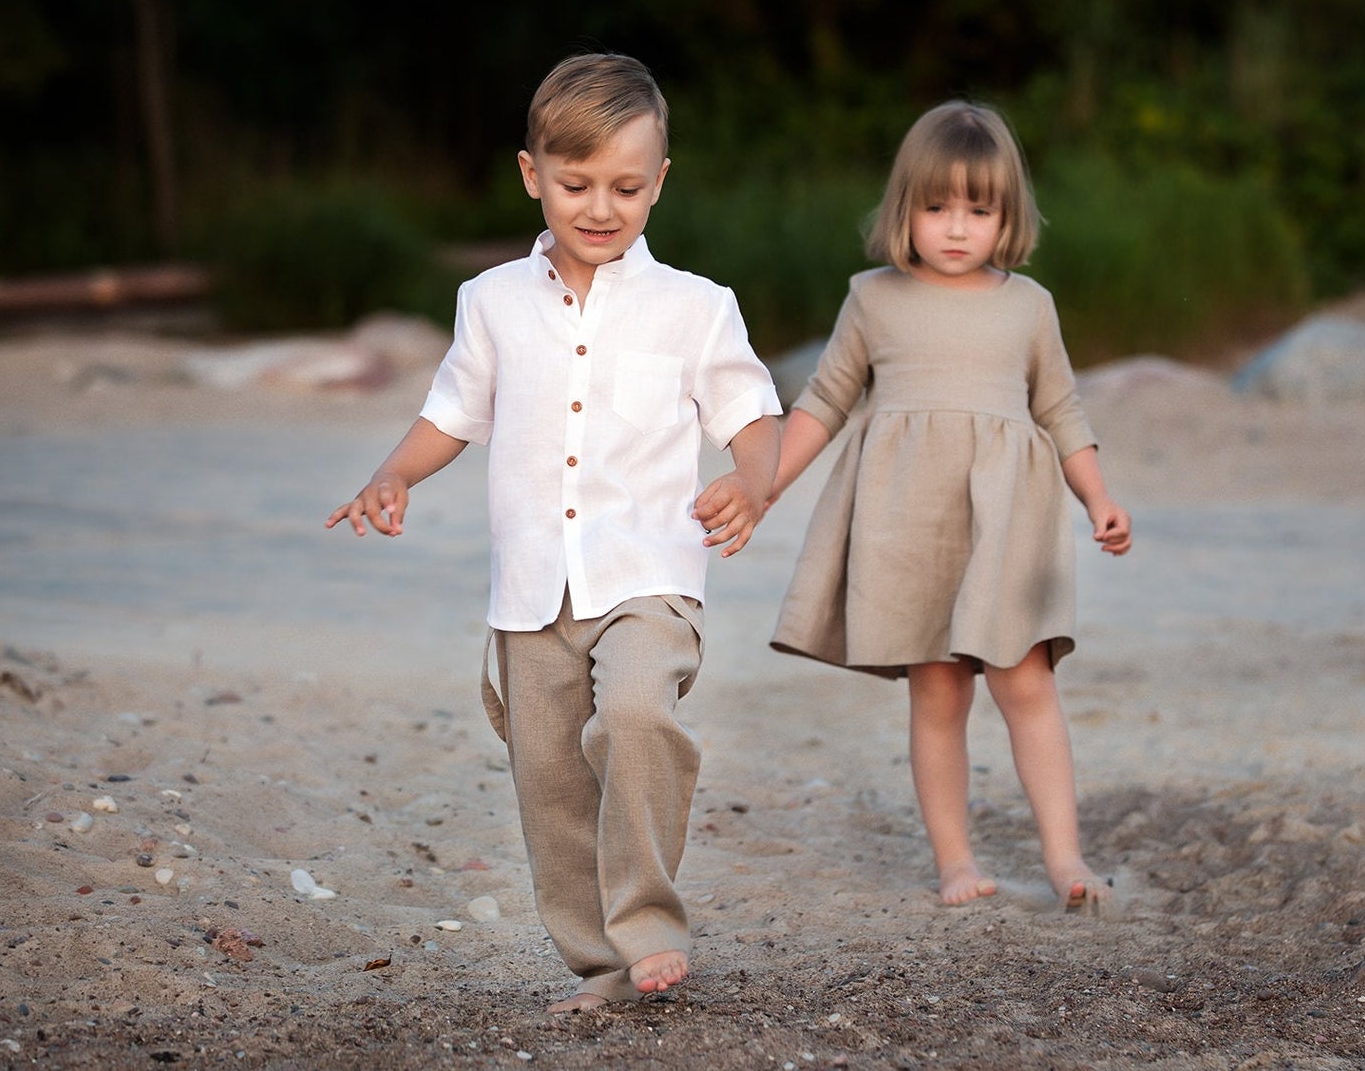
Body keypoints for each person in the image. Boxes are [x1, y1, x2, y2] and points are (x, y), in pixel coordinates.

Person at [325, 53, 781, 1010]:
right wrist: (392, 472)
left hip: (649, 574)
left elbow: (751, 414)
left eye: (627, 185)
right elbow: (451, 411)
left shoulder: (697, 307)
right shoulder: (490, 300)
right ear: (532, 173)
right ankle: (606, 965)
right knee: (549, 781)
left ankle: (651, 920)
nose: (601, 206)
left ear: (661, 180)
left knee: (637, 716)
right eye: (577, 184)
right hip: (532, 592)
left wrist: (753, 478)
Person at [764, 99, 1132, 910]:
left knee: (1026, 681)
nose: (957, 227)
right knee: (937, 690)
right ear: (905, 209)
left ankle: (1067, 857)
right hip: (910, 524)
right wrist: (764, 483)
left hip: (1007, 522)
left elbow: (1063, 409)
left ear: (1009, 215)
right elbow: (823, 401)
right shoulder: (873, 298)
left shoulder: (1028, 306)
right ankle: (955, 860)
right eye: (936, 207)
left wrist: (1098, 495)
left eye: (979, 208)